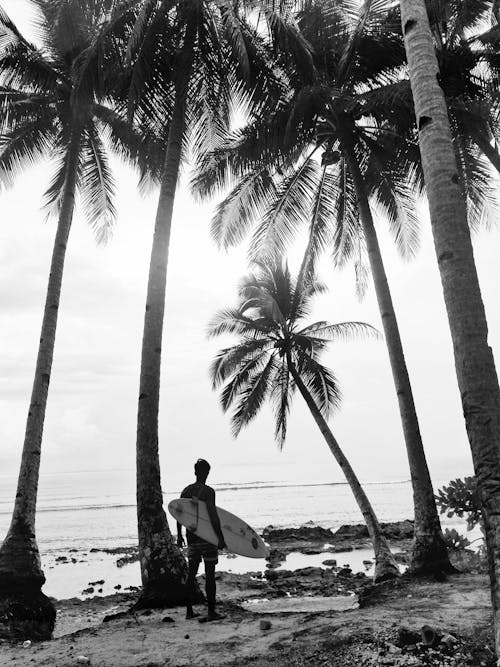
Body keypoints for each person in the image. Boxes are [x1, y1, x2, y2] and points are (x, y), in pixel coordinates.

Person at [177, 458, 226, 622]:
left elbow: (179, 514)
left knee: (191, 575)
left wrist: (179, 535)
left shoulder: (185, 491)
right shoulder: (208, 492)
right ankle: (211, 612)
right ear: (207, 473)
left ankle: (189, 611)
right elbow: (213, 516)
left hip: (191, 537)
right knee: (210, 575)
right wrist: (220, 538)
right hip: (207, 538)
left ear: (195, 472)